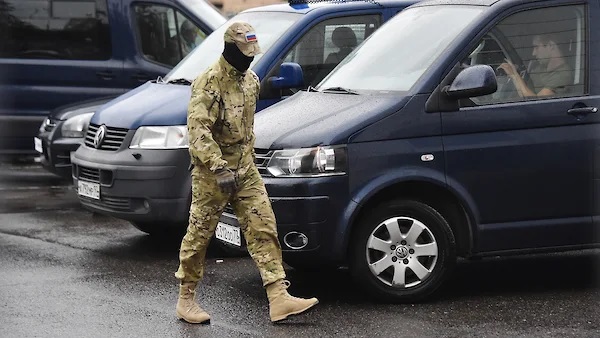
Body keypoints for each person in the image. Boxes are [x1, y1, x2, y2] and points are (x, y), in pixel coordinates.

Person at [174, 22, 319, 324]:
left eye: (253, 52)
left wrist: (245, 163)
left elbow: (247, 129)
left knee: (263, 226)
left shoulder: (251, 80)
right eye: (245, 52)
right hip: (212, 174)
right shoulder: (208, 82)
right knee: (199, 236)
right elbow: (198, 132)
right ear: (229, 48)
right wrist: (217, 167)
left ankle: (278, 297)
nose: (250, 57)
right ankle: (186, 298)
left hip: (245, 169)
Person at [498, 33, 573, 98]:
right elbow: (523, 91)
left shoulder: (563, 75)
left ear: (551, 45)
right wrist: (516, 71)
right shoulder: (540, 68)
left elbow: (534, 102)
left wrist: (514, 74)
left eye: (536, 47)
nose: (533, 53)